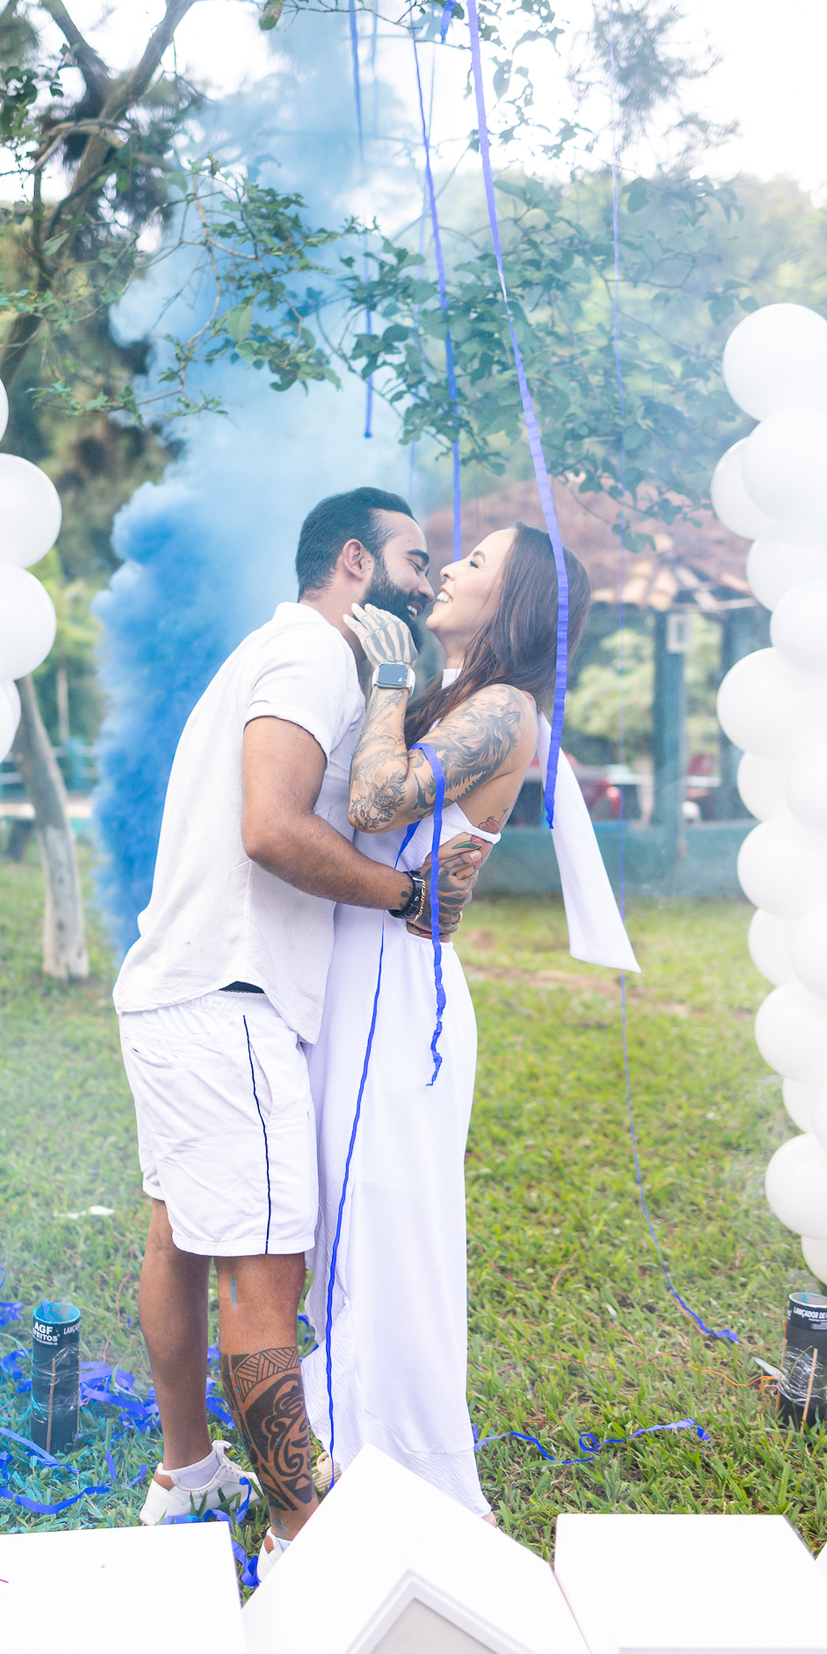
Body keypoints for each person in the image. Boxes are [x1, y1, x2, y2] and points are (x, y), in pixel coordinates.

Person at [112, 487, 486, 1569]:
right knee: (264, 1276)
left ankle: (188, 1474)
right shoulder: (314, 656)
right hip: (234, 1003)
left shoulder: (284, 655)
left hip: (184, 992)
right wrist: (405, 896)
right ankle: (298, 1534)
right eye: (416, 561)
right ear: (356, 563)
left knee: (182, 1235)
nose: (429, 581)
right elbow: (272, 830)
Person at [302, 522, 591, 1520]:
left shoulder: (505, 709)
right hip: (360, 975)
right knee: (346, 1227)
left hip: (398, 993)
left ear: (512, 600)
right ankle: (346, 1442)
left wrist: (389, 681)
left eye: (474, 563)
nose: (450, 571)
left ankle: (407, 1481)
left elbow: (378, 802)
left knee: (389, 1235)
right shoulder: (456, 694)